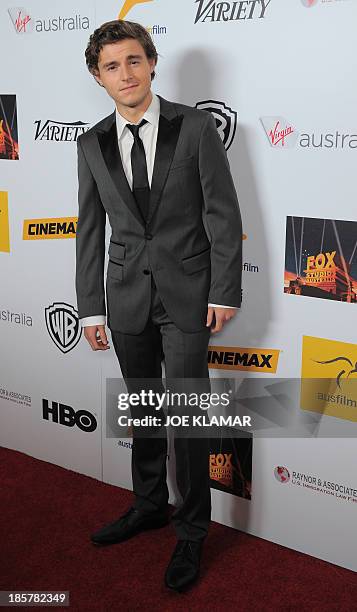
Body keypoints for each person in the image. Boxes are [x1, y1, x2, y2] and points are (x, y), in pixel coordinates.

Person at [75, 19, 242, 591]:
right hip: (124, 299)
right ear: (99, 78)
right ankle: (148, 504)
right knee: (145, 411)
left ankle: (192, 532)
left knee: (187, 420)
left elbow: (222, 214)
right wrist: (90, 307)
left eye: (133, 60)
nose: (125, 74)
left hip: (189, 297)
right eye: (112, 66)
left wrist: (224, 288)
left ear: (151, 63)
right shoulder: (91, 142)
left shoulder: (194, 128)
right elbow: (90, 229)